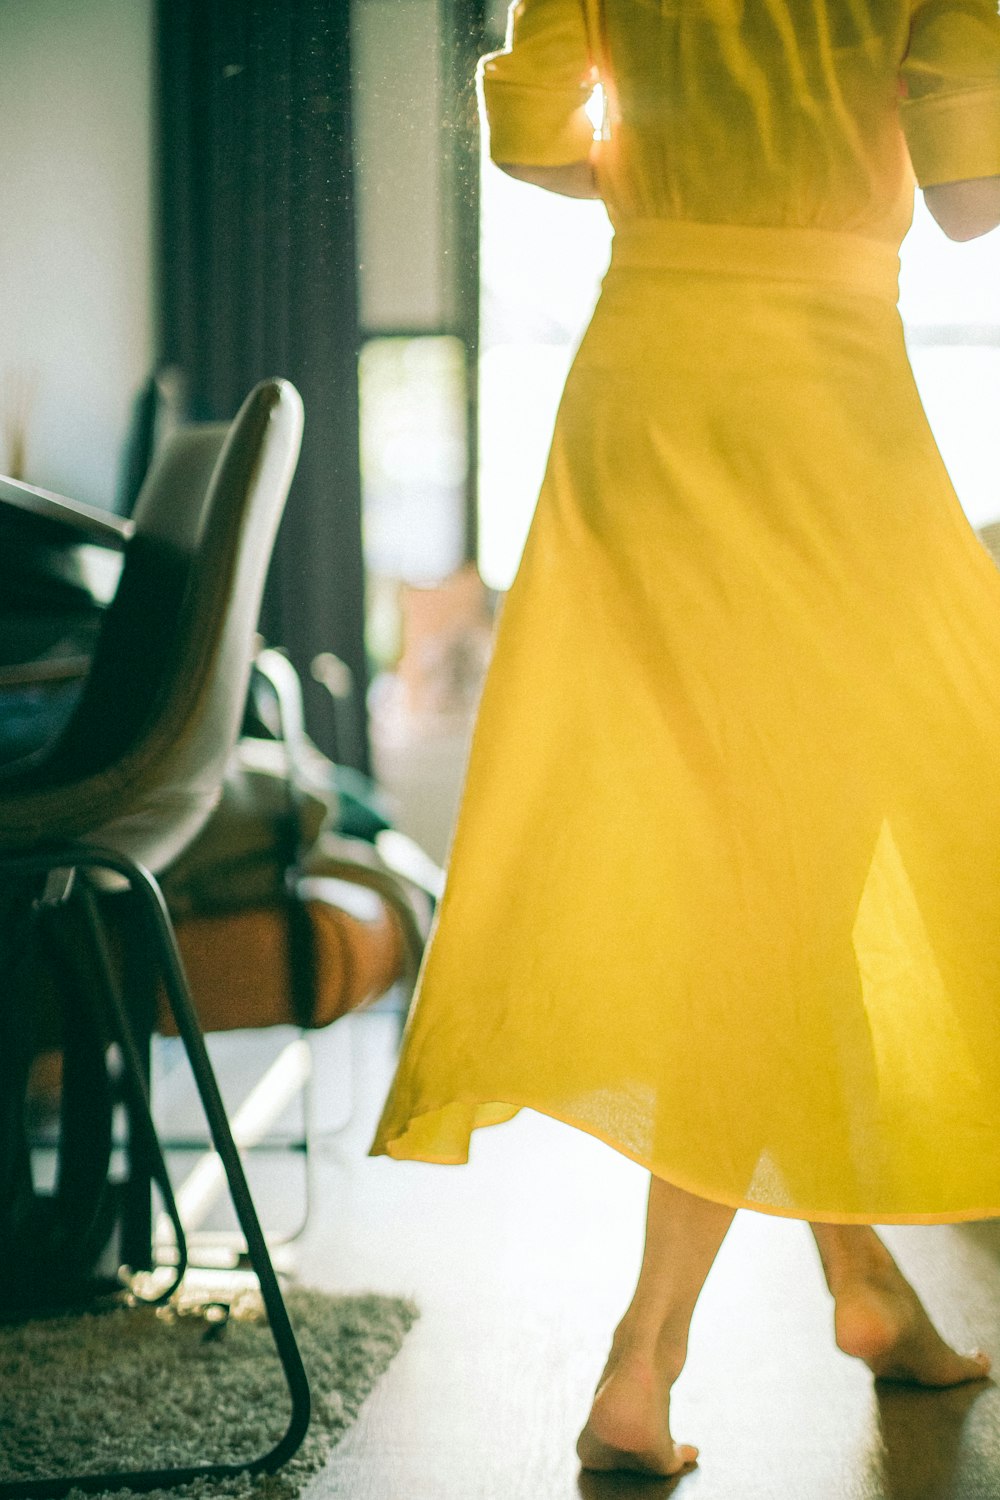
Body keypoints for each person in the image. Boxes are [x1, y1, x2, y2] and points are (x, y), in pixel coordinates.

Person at [371, 0, 1000, 1476]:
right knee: (816, 849)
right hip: (819, 398)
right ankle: (644, 1356)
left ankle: (863, 1286)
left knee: (760, 860)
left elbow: (530, 145)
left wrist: (682, 202)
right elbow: (972, 203)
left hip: (641, 381)